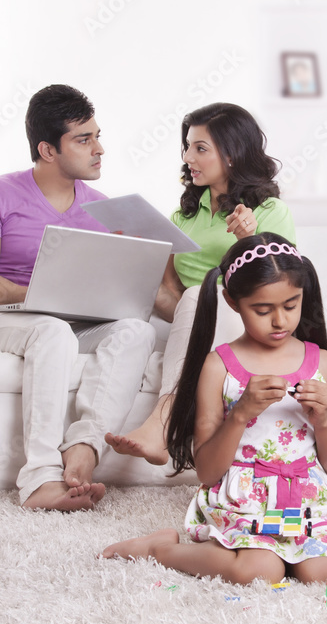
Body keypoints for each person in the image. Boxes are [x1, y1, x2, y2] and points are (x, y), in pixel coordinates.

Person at [102, 233, 327, 584]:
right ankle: (161, 548)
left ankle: (285, 553)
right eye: (263, 310)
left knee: (326, 573)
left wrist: (322, 420)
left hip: (306, 496)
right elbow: (206, 471)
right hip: (243, 497)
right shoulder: (219, 366)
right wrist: (241, 413)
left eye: (291, 305)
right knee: (260, 572)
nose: (280, 321)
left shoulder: (326, 364)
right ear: (233, 302)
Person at [0, 84, 155, 512]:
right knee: (50, 330)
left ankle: (84, 450)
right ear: (48, 150)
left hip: (75, 322)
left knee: (137, 331)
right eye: (84, 140)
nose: (99, 149)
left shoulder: (105, 208)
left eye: (97, 136)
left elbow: (115, 287)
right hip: (3, 320)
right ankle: (39, 480)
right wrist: (45, 296)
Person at [105, 103, 296, 466]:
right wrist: (136, 252)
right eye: (187, 146)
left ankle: (163, 424)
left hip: (244, 318)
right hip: (193, 316)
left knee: (198, 293)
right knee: (129, 324)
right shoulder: (183, 216)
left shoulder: (270, 211)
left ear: (233, 155)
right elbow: (174, 299)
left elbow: (280, 288)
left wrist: (251, 240)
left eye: (200, 148)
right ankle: (84, 447)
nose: (187, 156)